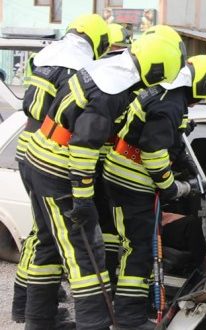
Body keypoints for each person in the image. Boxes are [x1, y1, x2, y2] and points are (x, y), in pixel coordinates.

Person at [21, 25, 185, 330]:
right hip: (58, 168)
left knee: (48, 243)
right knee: (85, 253)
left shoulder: (108, 70)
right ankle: (92, 324)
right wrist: (83, 199)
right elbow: (84, 145)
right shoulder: (112, 91)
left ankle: (39, 321)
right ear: (156, 66)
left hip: (41, 156)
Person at [102, 55, 206, 328]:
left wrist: (187, 167)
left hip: (128, 177)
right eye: (203, 99)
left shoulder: (170, 96)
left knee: (139, 247)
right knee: (140, 249)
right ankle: (129, 319)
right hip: (131, 180)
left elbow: (173, 143)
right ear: (204, 85)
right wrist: (173, 186)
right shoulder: (170, 104)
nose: (198, 104)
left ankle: (133, 306)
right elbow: (155, 153)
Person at [12, 13, 110, 327]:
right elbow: (76, 120)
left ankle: (34, 313)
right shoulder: (79, 67)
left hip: (28, 145)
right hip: (53, 152)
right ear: (97, 39)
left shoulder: (44, 56)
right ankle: (68, 318)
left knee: (44, 235)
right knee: (71, 243)